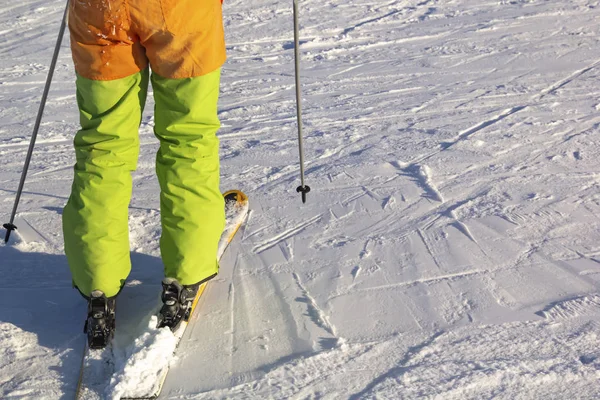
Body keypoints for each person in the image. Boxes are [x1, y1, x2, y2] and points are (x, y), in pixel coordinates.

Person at [64, 0, 227, 348]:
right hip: (182, 12)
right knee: (189, 138)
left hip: (100, 11)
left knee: (103, 146)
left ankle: (99, 282)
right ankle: (185, 273)